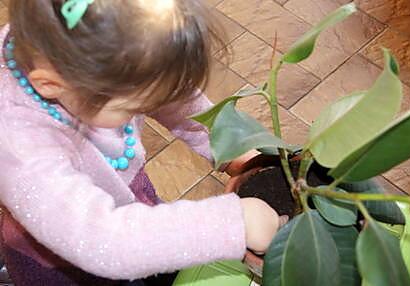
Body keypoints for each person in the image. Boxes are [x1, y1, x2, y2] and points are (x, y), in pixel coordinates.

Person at [0, 0, 281, 285]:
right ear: (49, 84)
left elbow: (171, 98)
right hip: (68, 265)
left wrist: (229, 145)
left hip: (129, 197)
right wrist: (232, 224)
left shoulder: (86, 61)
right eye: (134, 106)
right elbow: (105, 240)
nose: (148, 107)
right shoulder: (19, 147)